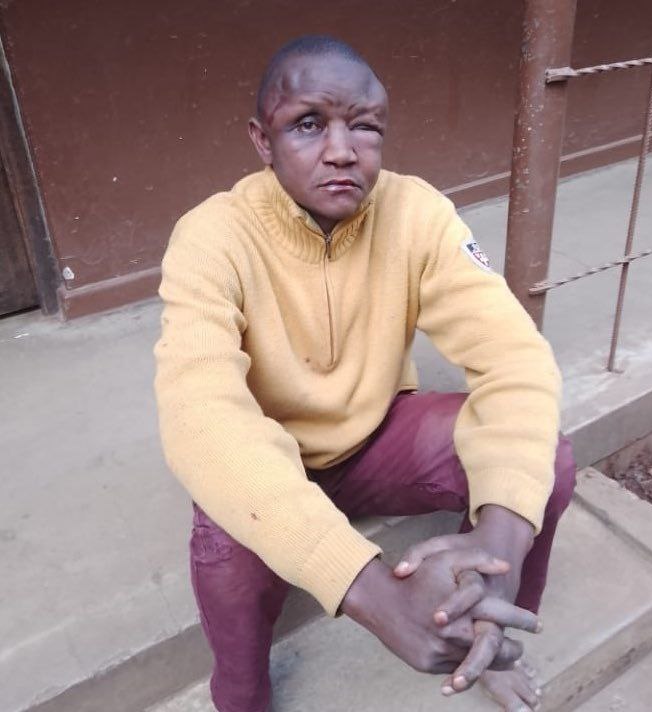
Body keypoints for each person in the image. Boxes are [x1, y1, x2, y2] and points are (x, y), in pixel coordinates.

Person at [154, 35, 576, 712]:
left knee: (543, 461)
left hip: (375, 441)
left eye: (365, 127)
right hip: (271, 461)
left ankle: (493, 634)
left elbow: (514, 359)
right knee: (226, 532)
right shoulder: (212, 237)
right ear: (263, 141)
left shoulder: (418, 214)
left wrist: (500, 550)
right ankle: (240, 692)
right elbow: (198, 415)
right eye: (308, 124)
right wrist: (371, 593)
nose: (342, 150)